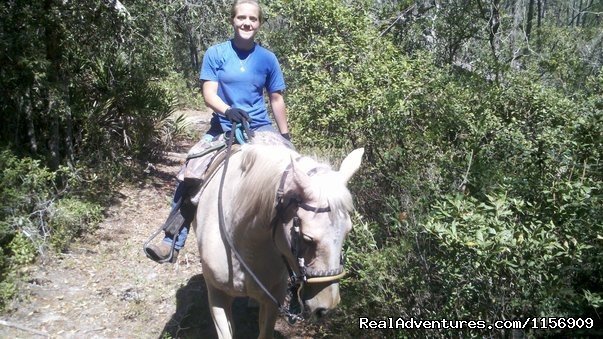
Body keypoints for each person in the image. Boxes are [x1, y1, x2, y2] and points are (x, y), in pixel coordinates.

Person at [145, 0, 290, 263]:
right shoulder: (216, 53)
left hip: (260, 128)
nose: (247, 23)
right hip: (223, 127)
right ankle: (171, 240)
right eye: (241, 18)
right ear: (233, 20)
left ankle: (292, 260)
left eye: (253, 19)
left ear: (259, 24)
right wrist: (227, 111)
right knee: (192, 170)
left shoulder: (268, 58)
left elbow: (276, 98)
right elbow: (209, 93)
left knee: (292, 178)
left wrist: (285, 135)